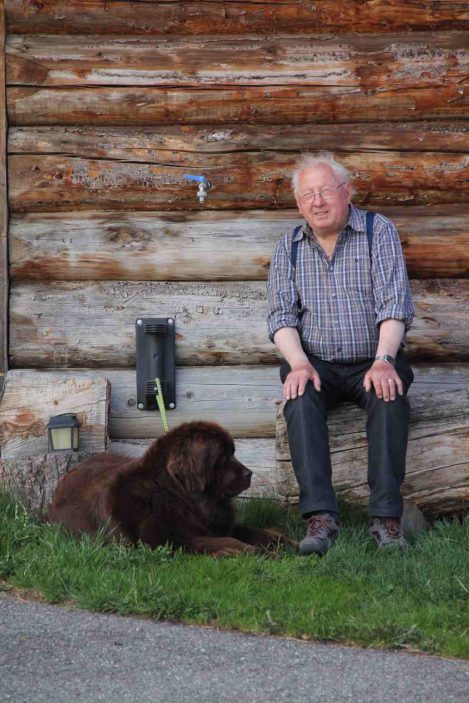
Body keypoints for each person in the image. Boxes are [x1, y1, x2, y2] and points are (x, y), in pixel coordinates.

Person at [267, 152, 415, 554]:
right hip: (316, 363)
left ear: (347, 192)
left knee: (389, 397)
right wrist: (298, 363)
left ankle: (386, 519)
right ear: (299, 203)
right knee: (299, 399)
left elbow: (394, 304)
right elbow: (281, 316)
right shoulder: (288, 247)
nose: (317, 201)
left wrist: (384, 360)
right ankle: (320, 519)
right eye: (308, 195)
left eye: (326, 191)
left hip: (374, 357)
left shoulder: (377, 231)